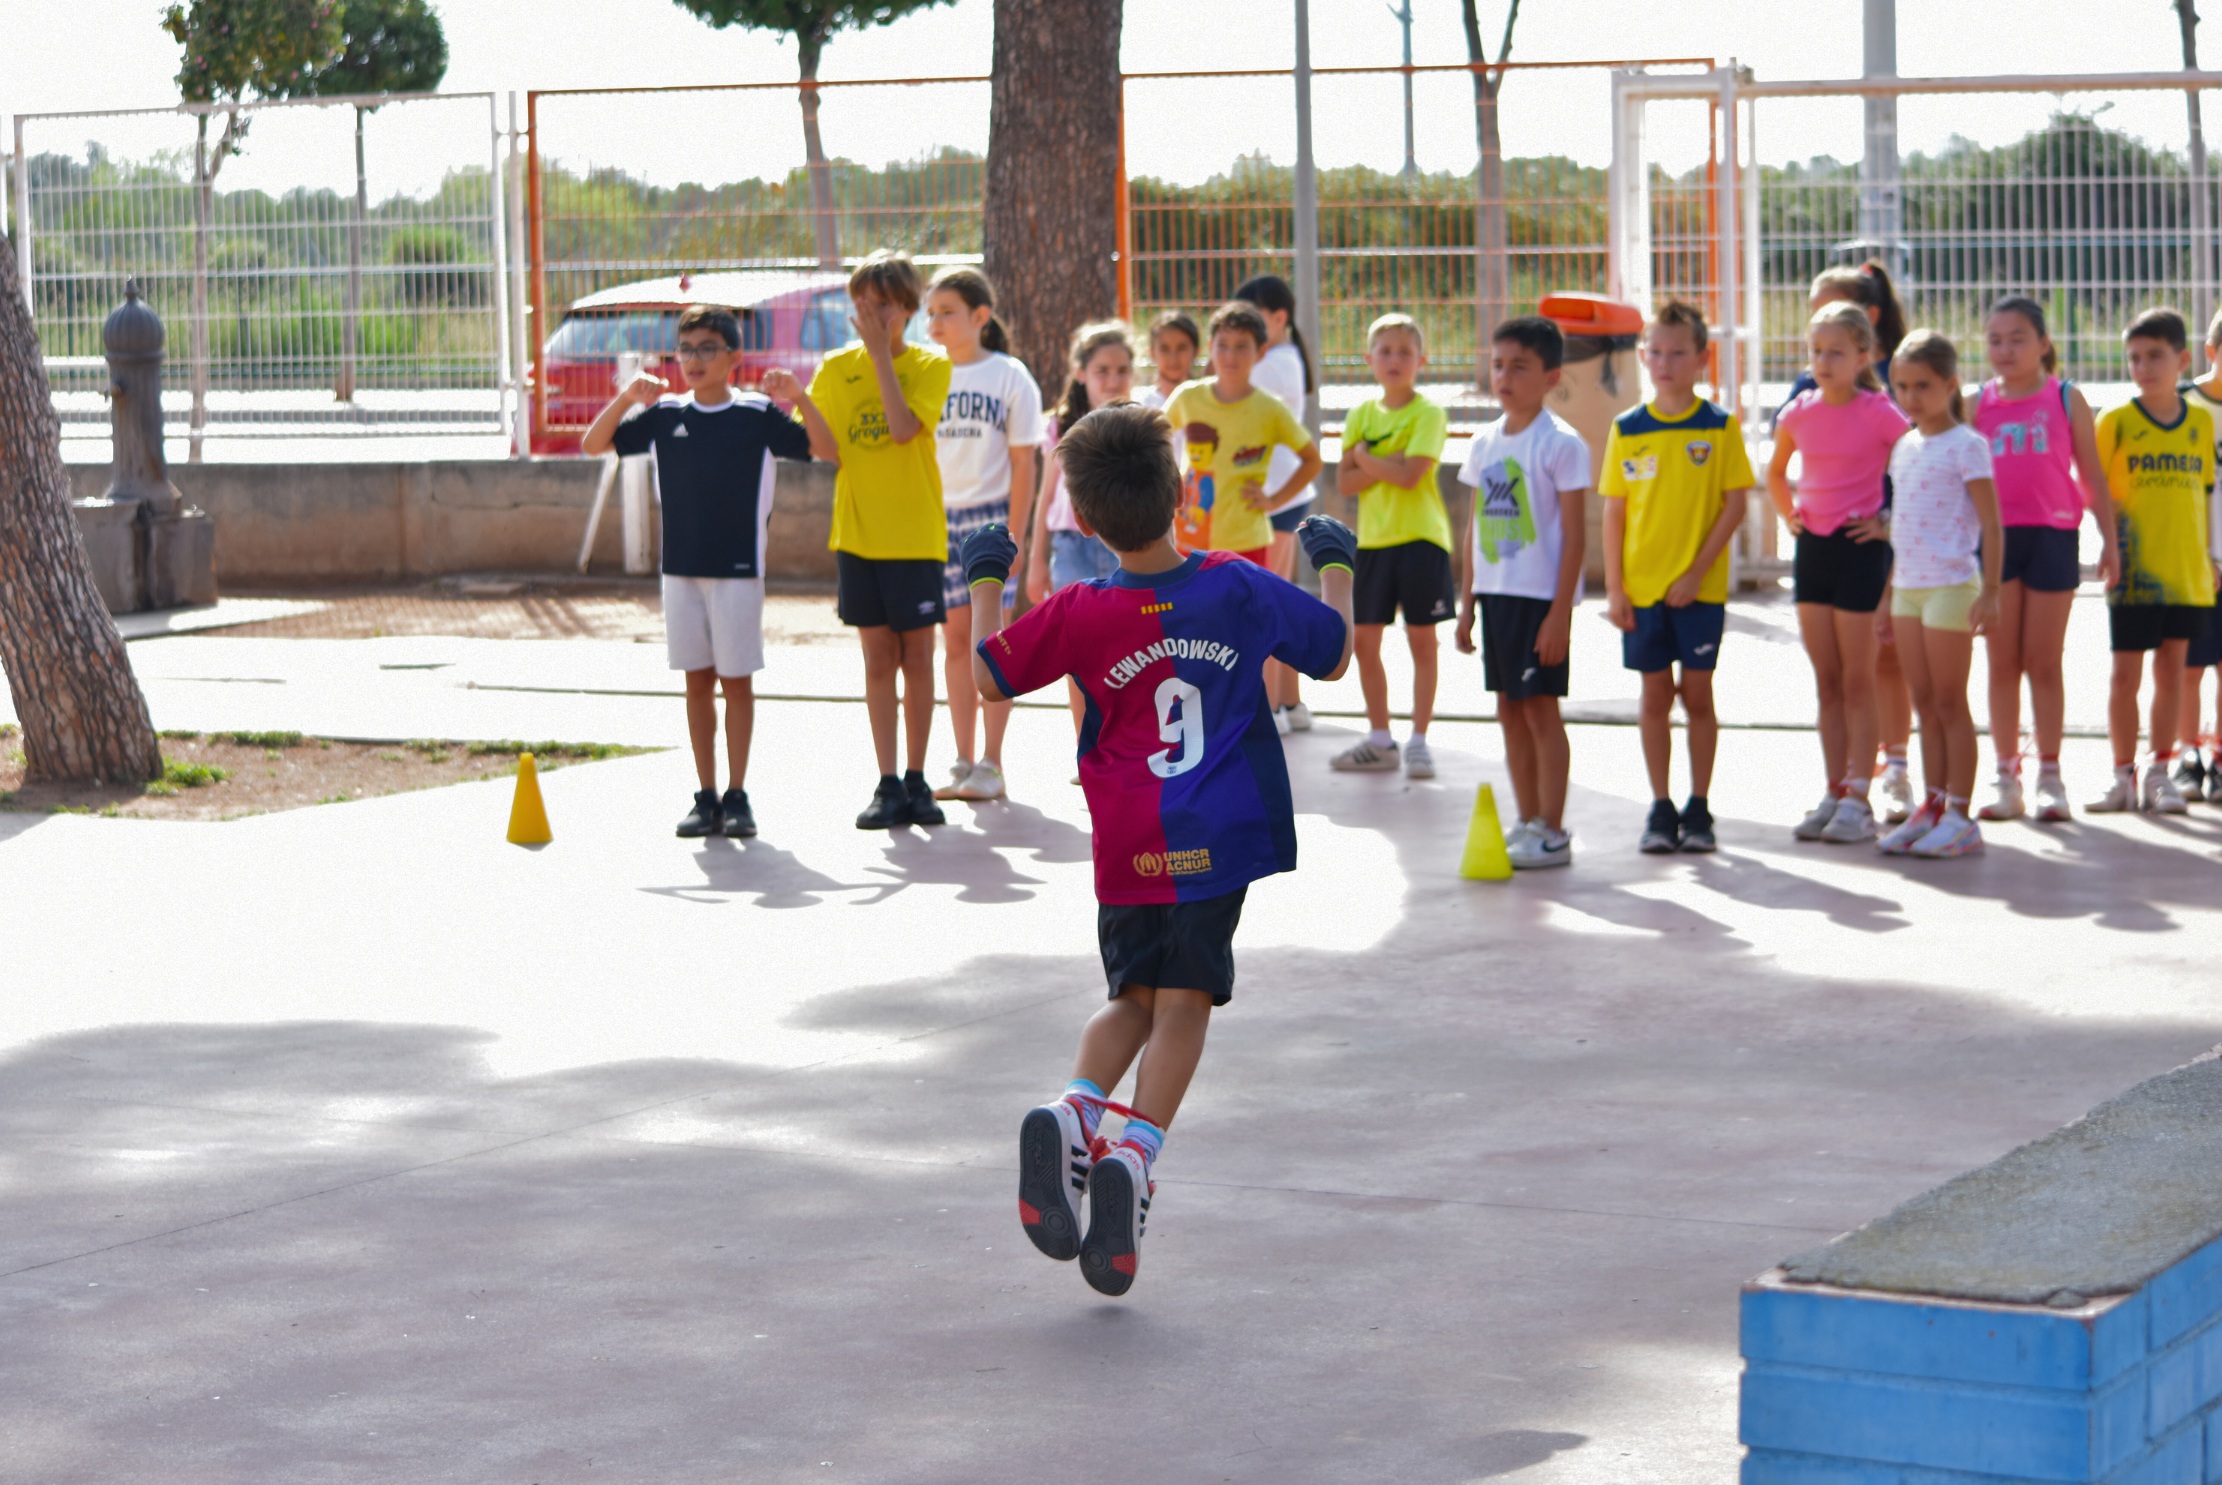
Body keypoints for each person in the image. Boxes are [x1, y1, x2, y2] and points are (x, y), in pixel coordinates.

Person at [961, 403, 1355, 1297]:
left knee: (1129, 997)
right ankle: (1135, 1154)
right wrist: (1335, 565)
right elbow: (1330, 655)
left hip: (1130, 837)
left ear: (1088, 521)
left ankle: (1073, 1108)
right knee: (1185, 1005)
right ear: (1182, 493)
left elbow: (989, 676)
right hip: (1218, 835)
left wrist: (987, 578)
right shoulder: (1235, 584)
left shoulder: (1080, 609)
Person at [580, 303, 820, 840]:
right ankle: (705, 794)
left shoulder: (756, 414)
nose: (693, 359)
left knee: (736, 682)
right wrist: (626, 397)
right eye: (685, 349)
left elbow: (823, 449)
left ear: (734, 357)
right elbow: (593, 444)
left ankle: (738, 794)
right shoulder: (667, 416)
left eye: (707, 348)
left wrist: (801, 399)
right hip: (680, 571)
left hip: (737, 571)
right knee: (696, 681)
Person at [800, 249, 954, 831]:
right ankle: (886, 780)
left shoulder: (931, 366)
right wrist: (797, 395)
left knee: (919, 656)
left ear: (908, 310)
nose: (870, 313)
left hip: (914, 535)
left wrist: (879, 357)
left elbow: (901, 428)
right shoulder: (836, 370)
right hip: (859, 536)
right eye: (861, 303)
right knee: (876, 660)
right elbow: (824, 449)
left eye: (883, 304)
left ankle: (918, 779)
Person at [1600, 301, 1754, 854]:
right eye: (1655, 352)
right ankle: (1661, 807)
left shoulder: (1719, 427)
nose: (1665, 362)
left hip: (1700, 592)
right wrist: (1616, 589)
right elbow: (1615, 513)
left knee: (1698, 696)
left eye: (1677, 352)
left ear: (1701, 359)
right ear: (1643, 357)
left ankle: (1700, 806)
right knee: (1653, 698)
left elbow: (1734, 506)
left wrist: (1694, 573)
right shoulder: (1628, 428)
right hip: (1642, 592)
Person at [1973, 295, 2121, 823]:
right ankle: (2005, 774)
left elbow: (2092, 476)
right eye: (1995, 340)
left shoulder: (2065, 398)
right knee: (2001, 662)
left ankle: (2050, 775)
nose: (2005, 349)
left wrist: (2110, 539)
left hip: (2053, 537)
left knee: (2043, 661)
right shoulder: (1976, 403)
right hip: (1996, 543)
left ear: (2043, 343)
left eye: (2017, 339)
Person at [1767, 302, 1911, 844]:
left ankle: (1859, 795)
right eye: (1816, 351)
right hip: (1815, 552)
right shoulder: (1798, 412)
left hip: (1859, 551)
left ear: (1863, 356)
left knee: (1858, 679)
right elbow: (1776, 472)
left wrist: (1888, 523)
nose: (1823, 362)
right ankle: (1834, 789)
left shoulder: (1879, 411)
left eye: (1836, 352)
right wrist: (1791, 516)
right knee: (1826, 681)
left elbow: (1914, 459)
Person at [1453, 315, 1591, 868]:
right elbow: (1474, 530)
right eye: (1497, 364)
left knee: (1540, 710)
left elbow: (1577, 536)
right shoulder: (1485, 443)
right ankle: (1527, 818)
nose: (1504, 376)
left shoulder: (1561, 444)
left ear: (1551, 376)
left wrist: (1561, 614)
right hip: (1496, 599)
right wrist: (1467, 607)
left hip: (1540, 601)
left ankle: (1552, 829)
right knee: (1509, 709)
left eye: (1520, 366)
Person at [1877, 329, 2003, 858]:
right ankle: (1931, 803)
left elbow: (1993, 526)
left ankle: (1959, 813)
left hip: (1952, 587)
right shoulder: (1904, 446)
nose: (1910, 397)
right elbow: (1900, 526)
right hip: (1908, 589)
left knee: (1951, 703)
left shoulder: (1967, 446)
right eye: (1901, 386)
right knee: (1923, 703)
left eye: (1922, 386)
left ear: (1951, 385)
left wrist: (1990, 590)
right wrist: (1887, 596)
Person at [2089, 307, 2217, 814]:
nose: (2143, 367)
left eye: (2155, 357)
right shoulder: (2116, 421)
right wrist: (2106, 546)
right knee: (2126, 674)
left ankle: (2159, 771)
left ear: (2183, 359)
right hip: (2134, 571)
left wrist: (2209, 555)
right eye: (2135, 358)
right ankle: (2122, 773)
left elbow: (2205, 495)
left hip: (2185, 570)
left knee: (2173, 670)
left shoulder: (2200, 423)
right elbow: (2099, 494)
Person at [923, 267, 1043, 804]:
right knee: (952, 642)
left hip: (992, 519)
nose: (936, 322)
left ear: (979, 316)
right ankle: (963, 759)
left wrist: (1014, 535)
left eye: (946, 311)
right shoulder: (925, 373)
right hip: (937, 519)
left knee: (994, 643)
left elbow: (1025, 463)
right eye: (931, 313)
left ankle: (993, 762)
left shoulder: (1009, 376)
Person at [1334, 314, 1451, 783]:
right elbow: (1344, 483)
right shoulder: (1360, 414)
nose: (1395, 359)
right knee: (1364, 642)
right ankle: (1380, 739)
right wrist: (1385, 462)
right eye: (1385, 350)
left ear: (1421, 360)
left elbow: (1410, 476)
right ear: (1369, 360)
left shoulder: (1429, 413)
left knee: (1422, 640)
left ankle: (1419, 742)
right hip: (1374, 544)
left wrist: (1364, 456)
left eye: (1405, 351)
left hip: (1422, 539)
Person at [1024, 321, 1137, 740]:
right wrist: (1037, 561)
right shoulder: (1059, 426)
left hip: (1128, 548)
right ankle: (1088, 745)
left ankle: (1127, 744)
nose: (1112, 379)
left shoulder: (1142, 423)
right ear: (1081, 373)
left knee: (1131, 650)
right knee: (1080, 653)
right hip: (1072, 548)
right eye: (1102, 370)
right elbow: (1046, 496)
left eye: (1122, 369)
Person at [1164, 302, 1324, 574]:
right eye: (1223, 345)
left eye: (1242, 346)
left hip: (1247, 541)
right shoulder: (1187, 397)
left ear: (1261, 352)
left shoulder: (1270, 409)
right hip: (1190, 538)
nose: (1230, 355)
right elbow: (1154, 436)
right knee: (1193, 616)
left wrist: (1273, 501)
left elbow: (1312, 460)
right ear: (1211, 347)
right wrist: (1168, 481)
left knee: (1245, 616)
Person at [1235, 274, 1322, 733]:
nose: (1236, 349)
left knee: (1266, 606)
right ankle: (1290, 702)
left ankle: (1270, 707)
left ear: (1278, 318)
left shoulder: (1277, 364)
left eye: (1251, 327)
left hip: (1275, 498)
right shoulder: (1283, 358)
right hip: (1273, 498)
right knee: (1277, 600)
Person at [2173, 306, 2222, 801]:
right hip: (2191, 559)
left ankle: (2219, 753)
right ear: (2211, 352)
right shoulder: (2183, 406)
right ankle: (2187, 753)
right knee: (2187, 663)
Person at [1138, 311, 1201, 411]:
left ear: (1196, 351)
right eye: (1164, 349)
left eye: (1181, 348)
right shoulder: (1142, 404)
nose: (1173, 358)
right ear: (1152, 353)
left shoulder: (1207, 401)